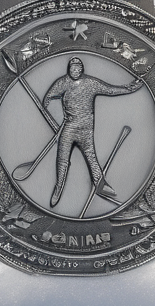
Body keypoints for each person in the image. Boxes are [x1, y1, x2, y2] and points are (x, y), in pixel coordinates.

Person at [42, 57, 142, 207]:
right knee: (62, 159)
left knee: (91, 157)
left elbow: (110, 89)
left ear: (82, 69)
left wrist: (131, 88)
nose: (75, 71)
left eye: (78, 68)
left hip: (86, 129)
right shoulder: (63, 82)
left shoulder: (91, 83)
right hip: (69, 127)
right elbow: (48, 96)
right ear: (69, 69)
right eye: (72, 68)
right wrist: (47, 109)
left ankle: (101, 186)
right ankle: (58, 189)